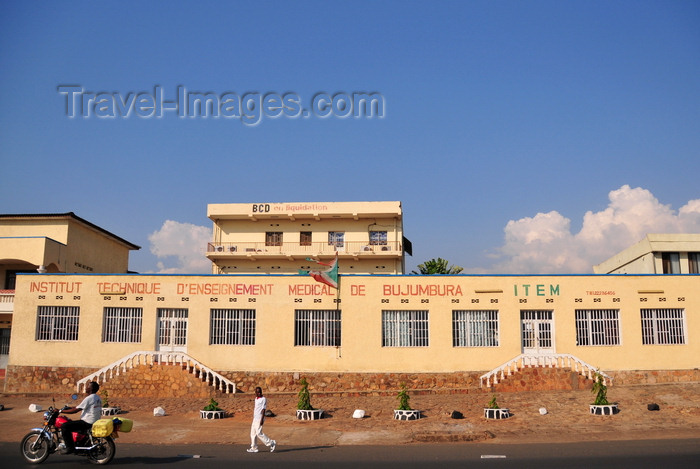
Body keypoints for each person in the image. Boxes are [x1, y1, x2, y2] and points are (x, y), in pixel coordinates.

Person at [60, 381, 103, 454]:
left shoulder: (89, 398)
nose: (86, 388)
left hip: (87, 422)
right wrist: (69, 408)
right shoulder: (97, 397)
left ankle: (69, 448)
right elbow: (79, 407)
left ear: (91, 388)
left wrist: (60, 411)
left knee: (65, 426)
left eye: (88, 386)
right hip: (94, 421)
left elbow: (75, 410)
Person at [247, 386, 276, 453]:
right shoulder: (256, 399)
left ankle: (271, 442)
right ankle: (254, 447)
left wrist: (262, 419)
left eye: (260, 392)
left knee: (259, 433)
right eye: (257, 392)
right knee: (252, 433)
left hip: (259, 418)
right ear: (255, 392)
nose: (259, 393)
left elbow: (263, 410)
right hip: (255, 418)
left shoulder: (263, 399)